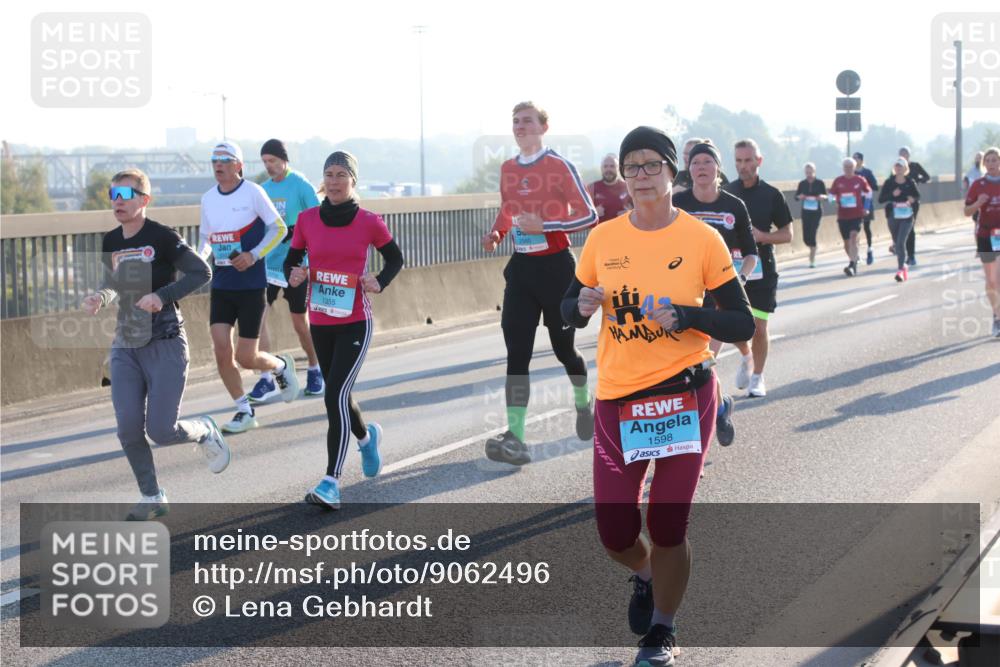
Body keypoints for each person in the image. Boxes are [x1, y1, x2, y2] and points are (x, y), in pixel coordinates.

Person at [562, 126, 754, 667]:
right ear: (622, 175)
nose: (641, 175)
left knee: (668, 525)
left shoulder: (702, 239)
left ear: (673, 171)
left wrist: (689, 316)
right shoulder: (604, 239)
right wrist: (580, 307)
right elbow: (568, 305)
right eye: (632, 166)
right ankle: (646, 576)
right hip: (619, 400)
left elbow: (741, 321)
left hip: (684, 396)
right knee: (614, 532)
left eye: (652, 165)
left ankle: (663, 630)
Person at [83, 169, 230, 521]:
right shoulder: (111, 240)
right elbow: (113, 282)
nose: (117, 201)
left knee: (161, 431)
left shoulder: (162, 237)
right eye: (113, 194)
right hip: (126, 344)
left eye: (125, 194)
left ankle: (203, 430)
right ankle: (152, 495)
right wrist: (101, 297)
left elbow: (202, 272)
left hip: (165, 341)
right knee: (127, 428)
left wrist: (161, 296)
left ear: (144, 200)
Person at [480, 101, 598, 466]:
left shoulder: (559, 166)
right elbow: (508, 210)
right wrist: (497, 233)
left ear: (544, 127)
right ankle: (516, 437)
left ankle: (584, 403)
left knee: (564, 351)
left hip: (557, 270)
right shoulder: (507, 168)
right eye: (515, 121)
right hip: (522, 271)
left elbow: (589, 215)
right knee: (517, 353)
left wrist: (546, 226)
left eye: (527, 121)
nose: (520, 126)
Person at [286, 151, 405, 508]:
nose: (334, 181)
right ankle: (367, 440)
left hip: (355, 321)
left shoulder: (369, 222)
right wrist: (296, 274)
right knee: (340, 396)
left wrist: (379, 280)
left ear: (353, 180)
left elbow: (395, 258)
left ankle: (331, 482)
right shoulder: (307, 220)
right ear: (323, 180)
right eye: (329, 174)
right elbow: (292, 260)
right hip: (321, 321)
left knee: (333, 395)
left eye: (341, 174)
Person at [198, 141, 299, 433]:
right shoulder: (208, 198)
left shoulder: (253, 192)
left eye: (225, 160)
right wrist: (198, 260)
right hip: (222, 284)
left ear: (239, 165)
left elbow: (279, 228)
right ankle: (244, 410)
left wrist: (253, 255)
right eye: (214, 160)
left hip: (251, 285)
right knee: (221, 349)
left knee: (246, 357)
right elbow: (206, 238)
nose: (218, 165)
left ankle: (279, 366)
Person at [673, 142, 757, 447]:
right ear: (689, 169)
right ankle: (720, 408)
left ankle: (696, 443)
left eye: (707, 161)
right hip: (684, 295)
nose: (701, 167)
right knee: (692, 368)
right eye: (696, 162)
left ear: (718, 168)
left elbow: (751, 253)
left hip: (720, 297)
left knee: (702, 363)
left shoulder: (734, 205)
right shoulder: (676, 203)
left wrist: (740, 280)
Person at [249, 138, 324, 403]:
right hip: (268, 264)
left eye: (272, 160)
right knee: (257, 320)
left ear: (284, 160)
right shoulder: (263, 190)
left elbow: (319, 221)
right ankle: (266, 378)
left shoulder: (300, 185)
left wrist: (300, 240)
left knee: (300, 323)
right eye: (264, 162)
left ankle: (315, 368)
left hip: (296, 264)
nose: (268, 166)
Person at [724, 139, 793, 398]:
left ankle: (757, 377)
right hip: (731, 269)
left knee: (759, 326)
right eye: (738, 161)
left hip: (762, 270)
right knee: (730, 326)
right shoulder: (726, 193)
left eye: (748, 160)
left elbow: (787, 234)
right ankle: (746, 355)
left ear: (759, 161)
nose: (743, 166)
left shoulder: (772, 195)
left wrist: (762, 236)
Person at [963, 146, 1000, 338]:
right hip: (986, 235)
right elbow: (966, 211)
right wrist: (978, 203)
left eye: (995, 160)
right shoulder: (978, 185)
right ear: (984, 163)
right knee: (992, 281)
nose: (992, 164)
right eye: (989, 161)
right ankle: (996, 316)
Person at [879, 157, 921, 283]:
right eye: (896, 166)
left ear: (905, 168)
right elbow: (880, 199)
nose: (898, 168)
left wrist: (912, 199)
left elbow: (917, 196)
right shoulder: (889, 182)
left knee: (901, 242)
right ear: (894, 168)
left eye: (900, 166)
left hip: (907, 216)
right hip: (893, 215)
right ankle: (904, 266)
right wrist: (892, 195)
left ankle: (900, 270)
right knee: (897, 243)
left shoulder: (910, 182)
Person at [829, 157, 872, 277]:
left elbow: (869, 193)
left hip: (856, 214)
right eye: (846, 167)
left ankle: (852, 265)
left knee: (853, 237)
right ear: (843, 168)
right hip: (843, 215)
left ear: (854, 168)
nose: (848, 169)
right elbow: (831, 195)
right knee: (847, 243)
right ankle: (854, 259)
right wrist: (834, 201)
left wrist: (866, 207)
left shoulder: (860, 180)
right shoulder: (838, 181)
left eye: (850, 167)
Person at [899, 147, 931, 266]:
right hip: (900, 202)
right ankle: (902, 251)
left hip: (913, 200)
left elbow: (927, 177)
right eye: (901, 154)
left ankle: (911, 256)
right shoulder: (897, 166)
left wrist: (917, 180)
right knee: (901, 228)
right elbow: (891, 181)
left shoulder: (915, 166)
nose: (903, 156)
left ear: (909, 155)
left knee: (910, 227)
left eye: (905, 154)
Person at [795, 162, 828, 268]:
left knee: (812, 233)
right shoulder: (802, 183)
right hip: (806, 212)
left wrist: (821, 197)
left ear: (814, 171)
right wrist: (800, 197)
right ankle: (813, 247)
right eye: (807, 172)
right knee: (806, 238)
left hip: (816, 212)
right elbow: (796, 197)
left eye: (810, 172)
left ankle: (812, 259)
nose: (808, 174)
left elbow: (826, 196)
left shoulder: (820, 183)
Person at [587, 153, 633, 223]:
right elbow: (582, 214)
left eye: (612, 166)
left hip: (622, 229)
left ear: (618, 168)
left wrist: (629, 213)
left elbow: (641, 211)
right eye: (605, 166)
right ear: (601, 168)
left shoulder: (628, 187)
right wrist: (593, 214)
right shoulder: (591, 188)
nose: (608, 169)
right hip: (600, 229)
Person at [853, 152, 879, 266]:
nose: (854, 160)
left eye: (856, 158)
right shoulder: (851, 173)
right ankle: (856, 254)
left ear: (861, 160)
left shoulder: (867, 172)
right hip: (854, 204)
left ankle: (869, 249)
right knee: (855, 229)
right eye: (853, 158)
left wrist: (864, 185)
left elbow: (875, 186)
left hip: (866, 203)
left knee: (866, 227)